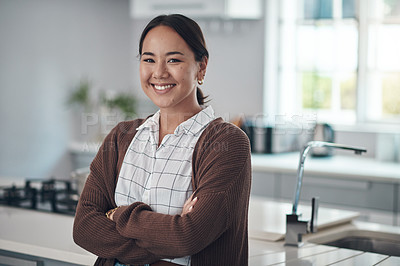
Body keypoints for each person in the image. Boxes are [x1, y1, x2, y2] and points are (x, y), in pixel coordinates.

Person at [73, 14, 251, 266]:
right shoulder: (121, 137)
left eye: (174, 60)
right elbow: (84, 227)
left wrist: (116, 215)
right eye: (149, 59)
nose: (159, 72)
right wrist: (166, 234)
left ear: (201, 66)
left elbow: (188, 236)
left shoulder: (227, 143)